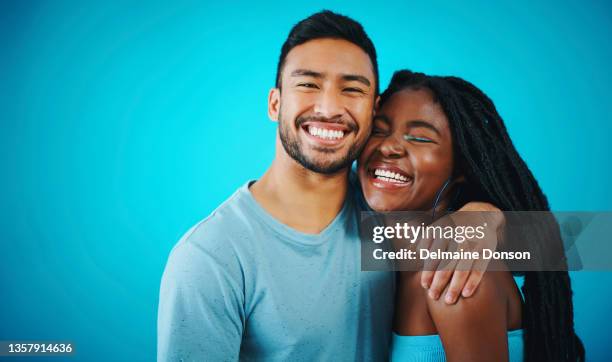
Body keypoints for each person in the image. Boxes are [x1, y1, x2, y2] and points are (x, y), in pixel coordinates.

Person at [157, 11, 501, 361]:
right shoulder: (212, 257)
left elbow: (547, 253)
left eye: (352, 89)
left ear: (373, 109)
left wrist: (487, 217)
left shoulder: (385, 208)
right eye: (308, 84)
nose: (329, 108)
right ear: (275, 103)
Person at [357, 70, 584, 361]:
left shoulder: (460, 273)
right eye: (378, 130)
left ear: (461, 169)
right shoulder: (390, 267)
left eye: (420, 138)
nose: (388, 146)